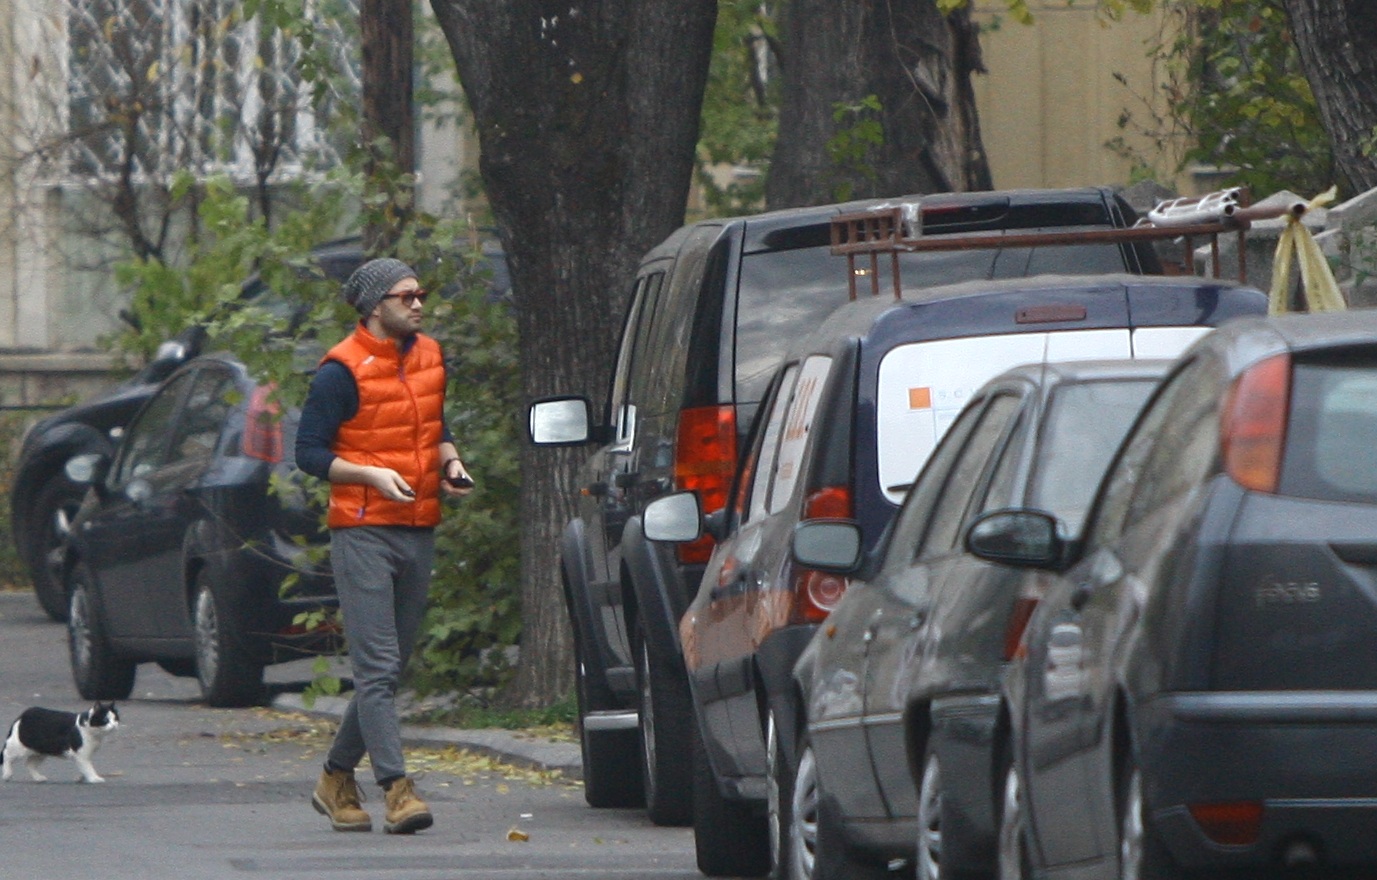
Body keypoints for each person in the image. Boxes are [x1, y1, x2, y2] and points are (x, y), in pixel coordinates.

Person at [295, 257, 474, 834]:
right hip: (363, 528)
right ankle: (397, 790)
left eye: (421, 294)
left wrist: (451, 463)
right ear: (375, 306)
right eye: (406, 296)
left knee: (389, 671)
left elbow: (433, 425)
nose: (418, 304)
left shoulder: (430, 355)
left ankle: (334, 778)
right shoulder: (339, 371)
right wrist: (369, 475)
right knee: (377, 669)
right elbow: (308, 452)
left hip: (418, 525)